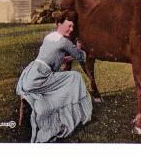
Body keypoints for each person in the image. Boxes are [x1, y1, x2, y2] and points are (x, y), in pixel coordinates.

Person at [16, 11, 92, 143]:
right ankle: (76, 111)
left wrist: (71, 55)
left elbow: (57, 58)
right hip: (41, 78)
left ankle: (56, 102)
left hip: (31, 75)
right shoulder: (64, 42)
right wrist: (79, 49)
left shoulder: (49, 37)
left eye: (73, 27)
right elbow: (81, 57)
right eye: (69, 26)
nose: (71, 29)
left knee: (68, 77)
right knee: (75, 77)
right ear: (60, 24)